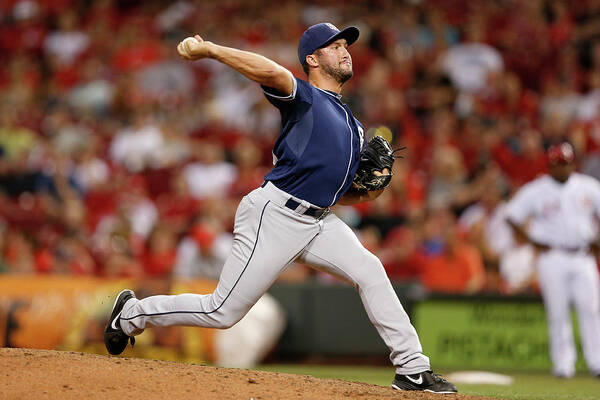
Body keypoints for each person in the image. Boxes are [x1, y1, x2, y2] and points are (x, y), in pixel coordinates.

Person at [103, 23, 457, 393]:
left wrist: (370, 194)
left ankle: (412, 369)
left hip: (319, 219)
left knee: (370, 270)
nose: (344, 51)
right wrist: (211, 50)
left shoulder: (352, 126)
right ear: (312, 59)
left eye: (345, 45)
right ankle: (131, 313)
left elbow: (343, 192)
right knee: (222, 311)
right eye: (333, 46)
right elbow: (272, 72)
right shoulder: (305, 98)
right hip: (275, 214)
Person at [506, 142, 600, 378]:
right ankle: (563, 365)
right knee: (558, 312)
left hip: (582, 255)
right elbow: (512, 215)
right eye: (558, 164)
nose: (562, 168)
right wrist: (532, 241)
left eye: (566, 163)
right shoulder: (537, 189)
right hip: (552, 256)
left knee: (591, 309)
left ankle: (596, 361)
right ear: (550, 165)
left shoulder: (588, 187)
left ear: (572, 163)